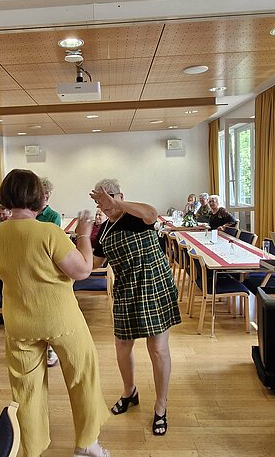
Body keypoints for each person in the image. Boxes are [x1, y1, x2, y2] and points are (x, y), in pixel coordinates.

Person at [0, 169, 110, 457]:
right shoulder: (48, 232)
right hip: (60, 318)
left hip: (19, 322)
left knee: (26, 390)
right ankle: (86, 443)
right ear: (38, 197)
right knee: (82, 376)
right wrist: (84, 234)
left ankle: (33, 448)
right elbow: (82, 271)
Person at [90, 179, 181, 437]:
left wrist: (116, 203)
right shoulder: (104, 231)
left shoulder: (137, 216)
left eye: (110, 197)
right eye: (101, 200)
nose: (106, 204)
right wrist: (83, 238)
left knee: (158, 349)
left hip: (154, 285)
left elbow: (152, 214)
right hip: (126, 290)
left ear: (120, 195)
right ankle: (129, 392)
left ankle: (161, 406)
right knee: (122, 346)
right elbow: (94, 263)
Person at [35, 177, 62, 367]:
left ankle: (52, 349)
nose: (45, 196)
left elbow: (52, 241)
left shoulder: (53, 216)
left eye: (48, 193)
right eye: (43, 192)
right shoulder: (29, 213)